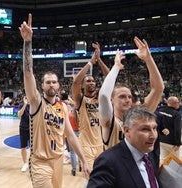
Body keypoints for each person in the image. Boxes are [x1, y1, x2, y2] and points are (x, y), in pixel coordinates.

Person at [20, 13, 90, 188]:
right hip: (40, 162)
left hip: (58, 160)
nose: (51, 84)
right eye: (47, 82)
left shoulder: (62, 107)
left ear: (59, 85)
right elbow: (28, 73)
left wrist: (84, 160)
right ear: (42, 86)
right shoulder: (36, 102)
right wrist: (27, 42)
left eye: (54, 82)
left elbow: (71, 137)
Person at [99, 37, 164, 151]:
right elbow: (104, 96)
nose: (128, 99)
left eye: (129, 96)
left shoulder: (138, 117)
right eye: (122, 96)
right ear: (112, 100)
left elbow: (158, 88)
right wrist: (116, 67)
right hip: (116, 168)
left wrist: (148, 59)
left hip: (138, 167)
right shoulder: (109, 121)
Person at [87, 106, 161, 188]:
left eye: (154, 128)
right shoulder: (108, 162)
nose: (153, 136)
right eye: (145, 129)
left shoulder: (149, 153)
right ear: (127, 130)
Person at [71, 39, 110, 174]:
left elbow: (111, 77)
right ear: (83, 85)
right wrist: (90, 62)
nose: (91, 83)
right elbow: (76, 83)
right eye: (88, 81)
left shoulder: (100, 98)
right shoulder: (80, 99)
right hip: (85, 145)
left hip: (100, 144)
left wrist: (99, 60)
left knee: (100, 177)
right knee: (91, 177)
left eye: (93, 81)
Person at [156, 96, 181, 164]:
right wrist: (178, 143)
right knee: (176, 162)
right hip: (172, 143)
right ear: (175, 103)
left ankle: (162, 174)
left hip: (161, 140)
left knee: (163, 161)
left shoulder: (159, 110)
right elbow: (177, 130)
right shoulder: (176, 114)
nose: (179, 104)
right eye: (178, 102)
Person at [17, 96, 30, 172]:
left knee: (34, 148)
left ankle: (32, 163)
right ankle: (25, 163)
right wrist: (25, 105)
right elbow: (19, 115)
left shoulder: (35, 104)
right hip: (23, 128)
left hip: (33, 128)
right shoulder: (22, 104)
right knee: (23, 147)